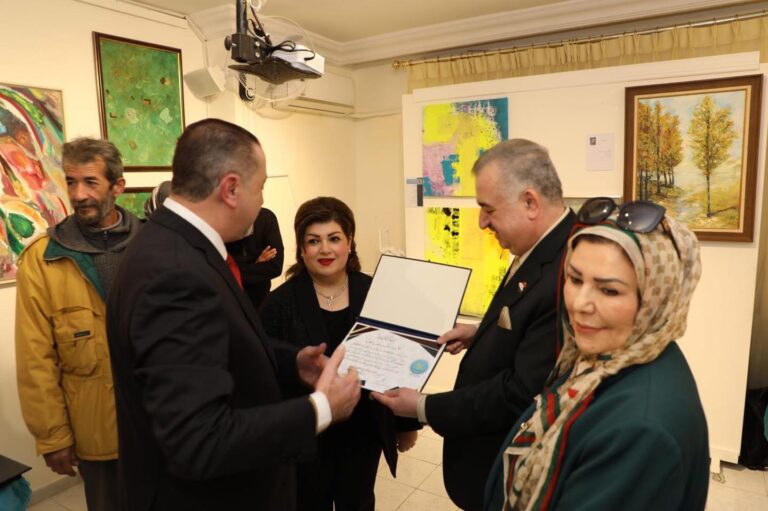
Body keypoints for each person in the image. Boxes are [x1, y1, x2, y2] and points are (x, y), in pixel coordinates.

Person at [105, 119, 361, 511]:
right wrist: (321, 408)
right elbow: (199, 441)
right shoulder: (175, 274)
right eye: (260, 188)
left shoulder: (173, 245)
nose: (261, 201)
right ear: (231, 189)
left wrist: (291, 361)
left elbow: (221, 346)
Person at [373, 139, 576, 510]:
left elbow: (519, 393)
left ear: (530, 203)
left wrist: (422, 407)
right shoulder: (540, 248)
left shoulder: (568, 269)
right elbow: (525, 322)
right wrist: (483, 333)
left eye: (488, 209)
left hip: (509, 467)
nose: (482, 222)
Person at [485, 197, 709, 510]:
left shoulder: (641, 431)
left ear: (655, 299)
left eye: (609, 290)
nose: (579, 304)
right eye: (575, 279)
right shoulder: (607, 357)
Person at [260, 197, 420, 511]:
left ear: (350, 242)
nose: (325, 249)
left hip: (364, 429)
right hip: (309, 431)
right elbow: (266, 371)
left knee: (359, 502)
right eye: (313, 241)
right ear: (302, 249)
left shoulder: (375, 292)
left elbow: (400, 362)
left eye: (334, 238)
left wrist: (406, 425)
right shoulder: (278, 304)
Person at [15, 137, 141, 511]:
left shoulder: (153, 244)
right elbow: (35, 357)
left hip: (160, 422)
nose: (78, 194)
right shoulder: (44, 259)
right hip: (97, 432)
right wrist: (53, 437)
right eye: (71, 182)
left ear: (118, 186)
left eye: (90, 182)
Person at [226, 206, 284, 309]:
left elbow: (275, 267)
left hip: (261, 299)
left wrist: (240, 269)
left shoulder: (266, 217)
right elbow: (224, 273)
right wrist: (257, 263)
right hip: (232, 301)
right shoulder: (219, 225)